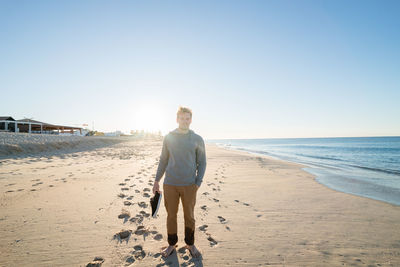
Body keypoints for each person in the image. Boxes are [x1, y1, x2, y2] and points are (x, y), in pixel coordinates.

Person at [153, 106, 206, 258]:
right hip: (170, 184)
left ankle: (190, 243)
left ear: (191, 120)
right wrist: (157, 180)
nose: (185, 121)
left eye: (187, 118)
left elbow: (202, 162)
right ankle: (171, 244)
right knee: (171, 215)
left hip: (190, 185)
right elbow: (163, 160)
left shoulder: (197, 139)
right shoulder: (169, 137)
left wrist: (198, 182)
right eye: (182, 118)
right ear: (177, 119)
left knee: (189, 216)